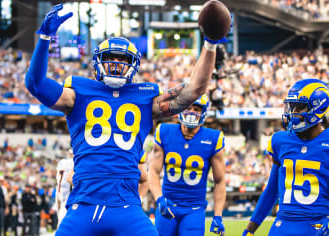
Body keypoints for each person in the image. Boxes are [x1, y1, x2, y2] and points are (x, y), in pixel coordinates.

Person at [25, 3, 221, 235]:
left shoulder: (145, 98)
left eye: (123, 60)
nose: (116, 65)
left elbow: (194, 89)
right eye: (110, 58)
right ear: (98, 61)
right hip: (84, 204)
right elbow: (35, 84)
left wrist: (210, 43)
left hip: (127, 206)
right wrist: (45, 37)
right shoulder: (77, 93)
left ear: (134, 64)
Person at [242, 78, 329, 236]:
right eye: (292, 107)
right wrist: (249, 230)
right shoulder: (280, 140)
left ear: (319, 107)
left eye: (300, 107)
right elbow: (271, 190)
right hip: (283, 223)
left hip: (317, 224)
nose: (293, 113)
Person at [148, 95, 226, 236]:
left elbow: (219, 181)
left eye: (196, 109)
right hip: (168, 204)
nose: (191, 112)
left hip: (194, 209)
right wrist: (159, 199)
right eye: (188, 107)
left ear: (203, 113)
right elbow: (153, 171)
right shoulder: (165, 131)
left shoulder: (213, 138)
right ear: (180, 109)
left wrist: (218, 215)